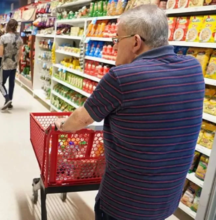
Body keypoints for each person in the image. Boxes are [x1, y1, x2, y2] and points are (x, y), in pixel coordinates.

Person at [54, 5, 204, 220]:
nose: (114, 47)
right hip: (165, 200)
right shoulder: (193, 67)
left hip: (123, 203)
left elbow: (81, 118)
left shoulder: (121, 77)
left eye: (116, 40)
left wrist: (63, 126)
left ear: (136, 42)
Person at [0, 19, 23, 110]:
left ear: (7, 26)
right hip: (14, 64)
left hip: (5, 65)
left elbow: (1, 53)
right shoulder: (19, 38)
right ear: (16, 27)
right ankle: (10, 102)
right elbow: (20, 53)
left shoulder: (3, 38)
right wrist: (16, 61)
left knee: (0, 83)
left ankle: (7, 98)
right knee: (11, 83)